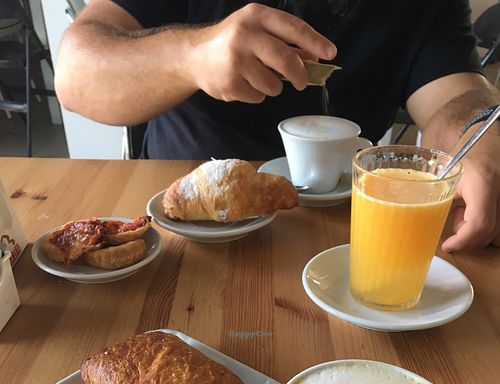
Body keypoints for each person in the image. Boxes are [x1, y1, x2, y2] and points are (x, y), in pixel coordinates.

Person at [55, 1, 500, 252]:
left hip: (346, 236)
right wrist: (191, 54)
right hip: (180, 234)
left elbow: (456, 99)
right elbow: (76, 74)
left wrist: (482, 140)